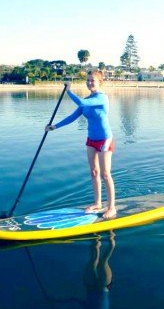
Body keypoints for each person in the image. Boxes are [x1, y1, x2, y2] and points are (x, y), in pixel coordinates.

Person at [45, 70, 116, 219]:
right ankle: (97, 203)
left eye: (93, 81)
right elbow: (72, 117)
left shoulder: (101, 98)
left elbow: (82, 103)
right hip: (91, 139)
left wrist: (69, 90)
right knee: (94, 172)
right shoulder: (87, 99)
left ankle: (112, 208)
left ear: (100, 83)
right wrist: (55, 126)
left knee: (105, 174)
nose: (89, 83)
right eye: (88, 80)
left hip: (105, 139)